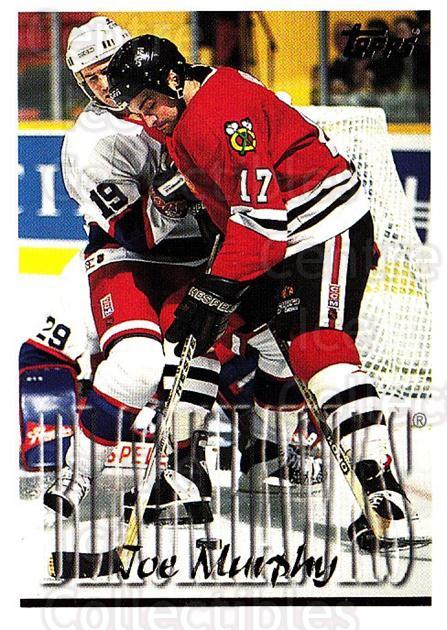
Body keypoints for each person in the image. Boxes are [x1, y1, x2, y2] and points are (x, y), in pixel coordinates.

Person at [106, 34, 418, 550]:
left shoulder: (220, 111)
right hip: (270, 237)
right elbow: (242, 199)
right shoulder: (190, 108)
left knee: (316, 349)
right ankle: (187, 475)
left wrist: (218, 287)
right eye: (136, 111)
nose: (147, 119)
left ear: (171, 79)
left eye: (148, 103)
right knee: (187, 328)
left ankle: (384, 495)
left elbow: (263, 225)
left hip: (322, 231)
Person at [25, 18, 221, 531]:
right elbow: (136, 232)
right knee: (137, 364)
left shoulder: (185, 98)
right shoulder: (89, 145)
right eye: (90, 78)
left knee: (201, 356)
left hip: (198, 257)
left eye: (109, 68)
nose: (104, 84)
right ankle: (80, 470)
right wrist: (184, 183)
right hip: (127, 259)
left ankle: (184, 469)